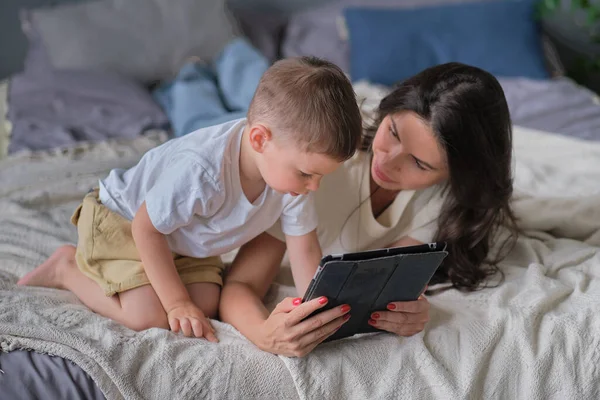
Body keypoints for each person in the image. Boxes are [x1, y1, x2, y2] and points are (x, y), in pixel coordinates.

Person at [17, 56, 363, 341]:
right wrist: (177, 302)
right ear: (260, 139)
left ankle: (169, 289)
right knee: (151, 317)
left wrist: (314, 309)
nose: (314, 186)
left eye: (321, 176)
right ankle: (65, 268)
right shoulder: (202, 170)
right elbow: (146, 228)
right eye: (307, 173)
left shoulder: (294, 181)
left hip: (184, 241)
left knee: (206, 307)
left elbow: (304, 249)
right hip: (124, 221)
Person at [219, 62, 519, 357]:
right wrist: (264, 335)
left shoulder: (444, 200)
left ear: (454, 176)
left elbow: (389, 280)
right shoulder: (313, 170)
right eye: (393, 132)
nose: (388, 162)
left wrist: (408, 308)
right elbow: (240, 284)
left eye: (419, 163)